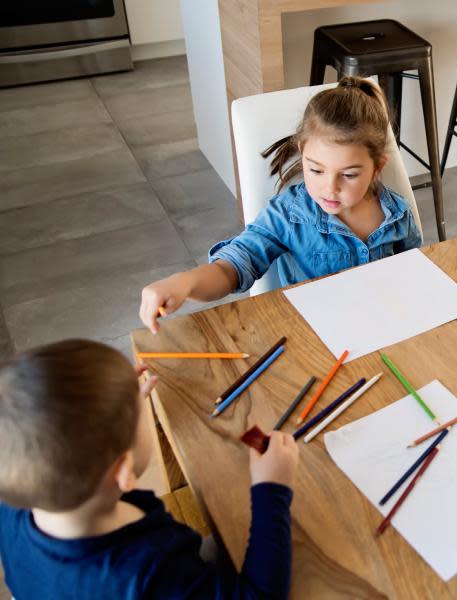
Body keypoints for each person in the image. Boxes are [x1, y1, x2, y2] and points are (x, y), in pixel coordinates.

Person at [0, 340, 299, 598]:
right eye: (139, 414)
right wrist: (271, 490)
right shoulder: (153, 572)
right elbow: (259, 595)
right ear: (124, 469)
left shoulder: (17, 502)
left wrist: (115, 407)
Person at [139, 76, 423, 333]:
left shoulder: (397, 214)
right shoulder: (288, 215)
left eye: (349, 175)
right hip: (313, 338)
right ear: (303, 153)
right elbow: (233, 266)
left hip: (383, 328)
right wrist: (184, 282)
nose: (330, 187)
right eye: (316, 170)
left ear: (377, 167)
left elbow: (413, 274)